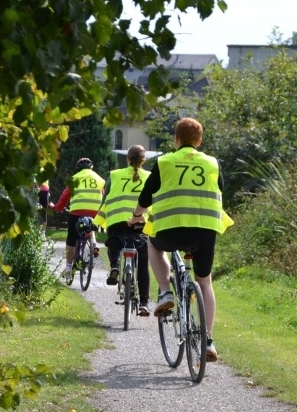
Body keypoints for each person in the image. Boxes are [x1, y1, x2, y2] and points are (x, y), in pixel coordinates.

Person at [128, 117, 233, 362]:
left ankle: (165, 292)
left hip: (170, 229)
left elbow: (146, 196)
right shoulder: (212, 163)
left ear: (176, 139)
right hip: (205, 230)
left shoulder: (164, 161)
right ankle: (208, 339)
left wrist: (136, 217)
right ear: (200, 140)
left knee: (152, 244)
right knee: (205, 282)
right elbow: (220, 189)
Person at [93, 145, 151, 317]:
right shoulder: (149, 177)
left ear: (127, 158)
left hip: (117, 220)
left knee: (115, 242)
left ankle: (115, 265)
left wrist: (100, 219)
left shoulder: (115, 175)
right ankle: (144, 303)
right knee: (143, 262)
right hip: (140, 222)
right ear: (143, 160)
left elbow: (106, 199)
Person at [51, 157, 105, 281]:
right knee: (91, 225)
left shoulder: (74, 179)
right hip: (94, 212)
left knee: (71, 240)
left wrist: (58, 208)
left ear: (77, 169)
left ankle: (69, 269)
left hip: (76, 212)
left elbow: (65, 196)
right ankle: (94, 243)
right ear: (92, 168)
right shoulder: (100, 179)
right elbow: (102, 194)